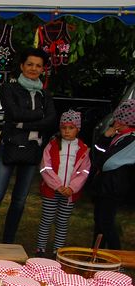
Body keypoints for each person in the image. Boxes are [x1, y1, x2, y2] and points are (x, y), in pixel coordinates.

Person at [0, 48, 57, 244]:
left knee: (20, 199)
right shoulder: (9, 88)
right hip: (9, 146)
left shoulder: (45, 94)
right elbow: (13, 113)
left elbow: (51, 121)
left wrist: (24, 123)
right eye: (30, 64)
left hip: (32, 150)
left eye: (38, 66)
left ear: (42, 69)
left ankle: (8, 242)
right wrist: (39, 115)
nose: (33, 68)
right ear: (22, 66)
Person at [35, 110, 91, 257]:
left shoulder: (83, 149)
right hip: (51, 190)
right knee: (47, 219)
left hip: (69, 193)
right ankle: (40, 249)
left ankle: (57, 251)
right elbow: (45, 167)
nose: (67, 131)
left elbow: (84, 172)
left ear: (77, 129)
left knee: (62, 221)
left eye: (71, 128)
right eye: (64, 128)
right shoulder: (52, 145)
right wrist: (57, 186)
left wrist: (72, 188)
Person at [92, 99, 135, 249]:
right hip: (105, 184)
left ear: (125, 121)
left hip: (114, 185)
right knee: (99, 221)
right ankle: (96, 254)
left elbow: (106, 162)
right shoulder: (118, 136)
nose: (114, 123)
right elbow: (97, 153)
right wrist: (105, 137)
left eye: (117, 120)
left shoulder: (130, 139)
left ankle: (116, 256)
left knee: (106, 222)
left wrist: (98, 163)